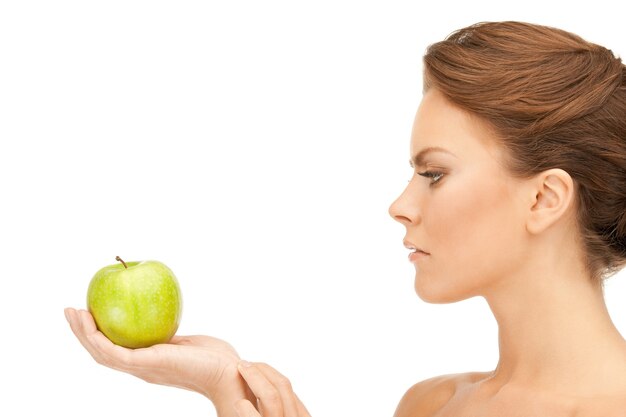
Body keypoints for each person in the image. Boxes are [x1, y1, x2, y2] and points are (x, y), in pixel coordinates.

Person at [65, 21, 626, 416]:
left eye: (434, 174)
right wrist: (226, 387)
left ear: (545, 199)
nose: (400, 205)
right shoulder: (429, 406)